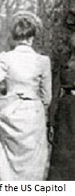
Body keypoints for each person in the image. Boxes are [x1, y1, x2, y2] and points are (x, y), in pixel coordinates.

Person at [0, 11, 52, 180]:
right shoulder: (42, 61)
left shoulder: (5, 58)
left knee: (6, 164)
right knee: (32, 165)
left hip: (9, 113)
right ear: (32, 37)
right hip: (33, 114)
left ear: (14, 36)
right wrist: (39, 106)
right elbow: (47, 97)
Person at [47, 31, 75, 180]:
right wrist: (51, 121)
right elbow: (55, 90)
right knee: (63, 158)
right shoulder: (64, 60)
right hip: (67, 111)